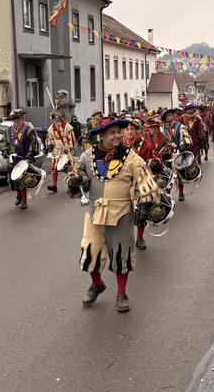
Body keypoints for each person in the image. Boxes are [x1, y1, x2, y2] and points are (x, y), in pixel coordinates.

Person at [67, 117, 162, 313]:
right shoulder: (87, 156)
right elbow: (76, 176)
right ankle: (96, 285)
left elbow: (145, 180)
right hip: (94, 213)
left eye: (119, 132)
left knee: (121, 255)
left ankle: (121, 293)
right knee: (90, 252)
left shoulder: (131, 156)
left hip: (122, 213)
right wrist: (74, 182)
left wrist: (145, 205)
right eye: (112, 133)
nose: (118, 135)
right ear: (101, 136)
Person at [123, 117, 162, 251]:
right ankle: (124, 238)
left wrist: (154, 162)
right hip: (122, 182)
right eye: (127, 129)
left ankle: (140, 238)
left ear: (136, 130)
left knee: (142, 211)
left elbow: (155, 157)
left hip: (140, 180)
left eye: (132, 129)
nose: (129, 132)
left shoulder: (144, 144)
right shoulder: (118, 144)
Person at [0, 109, 39, 208]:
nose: (17, 120)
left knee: (23, 179)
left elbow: (33, 143)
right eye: (15, 119)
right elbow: (3, 143)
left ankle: (24, 200)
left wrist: (29, 155)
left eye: (18, 118)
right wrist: (5, 150)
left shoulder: (28, 129)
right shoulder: (8, 131)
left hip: (23, 160)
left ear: (22, 118)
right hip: (11, 160)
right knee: (12, 179)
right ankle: (19, 195)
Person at [162, 109, 192, 201]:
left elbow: (187, 138)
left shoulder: (180, 126)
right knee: (167, 176)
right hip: (166, 156)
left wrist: (183, 145)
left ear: (173, 116)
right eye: (166, 116)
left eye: (169, 115)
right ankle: (167, 195)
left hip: (178, 154)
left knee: (179, 175)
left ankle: (181, 193)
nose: (168, 117)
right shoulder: (162, 129)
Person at [45, 110, 76, 194]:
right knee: (54, 168)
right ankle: (54, 185)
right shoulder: (52, 127)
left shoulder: (67, 126)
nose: (55, 120)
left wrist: (69, 148)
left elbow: (71, 139)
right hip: (56, 150)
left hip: (65, 150)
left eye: (57, 118)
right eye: (54, 118)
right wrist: (50, 147)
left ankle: (70, 185)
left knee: (67, 168)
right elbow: (49, 137)